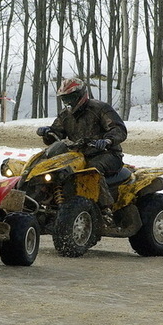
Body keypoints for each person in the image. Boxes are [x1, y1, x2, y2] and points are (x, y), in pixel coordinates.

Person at [36, 77, 128, 224]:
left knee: (92, 169)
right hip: (79, 154)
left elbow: (118, 129)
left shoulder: (100, 109)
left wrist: (107, 141)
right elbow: (56, 134)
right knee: (54, 168)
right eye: (65, 99)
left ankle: (105, 209)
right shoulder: (65, 115)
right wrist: (47, 132)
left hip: (107, 153)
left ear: (80, 95)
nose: (68, 102)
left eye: (70, 98)